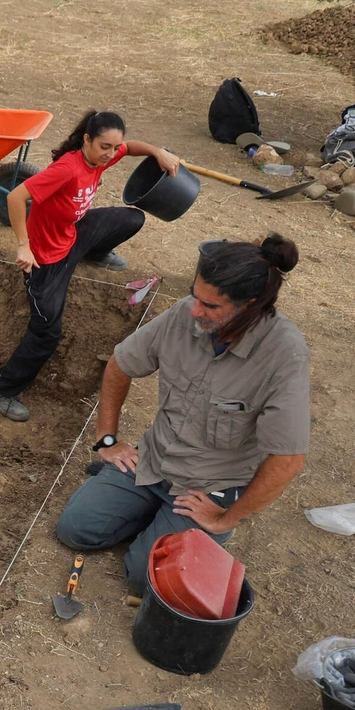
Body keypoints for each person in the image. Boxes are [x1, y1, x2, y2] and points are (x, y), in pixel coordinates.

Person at [55, 235, 308, 594]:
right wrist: (107, 440)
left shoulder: (284, 355)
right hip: (153, 460)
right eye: (196, 296)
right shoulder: (184, 314)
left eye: (210, 306)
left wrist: (224, 519)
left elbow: (288, 460)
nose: (194, 310)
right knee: (74, 530)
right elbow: (120, 364)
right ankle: (152, 516)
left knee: (146, 580)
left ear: (250, 306)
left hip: (211, 486)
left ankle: (171, 528)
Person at [0, 110, 180, 422]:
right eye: (105, 147)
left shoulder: (103, 157)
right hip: (46, 260)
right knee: (47, 331)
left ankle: (96, 253)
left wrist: (158, 152)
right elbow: (16, 197)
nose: (111, 154)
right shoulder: (67, 169)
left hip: (73, 236)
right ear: (86, 140)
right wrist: (24, 245)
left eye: (114, 148)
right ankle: (1, 390)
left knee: (133, 218)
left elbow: (131, 147)